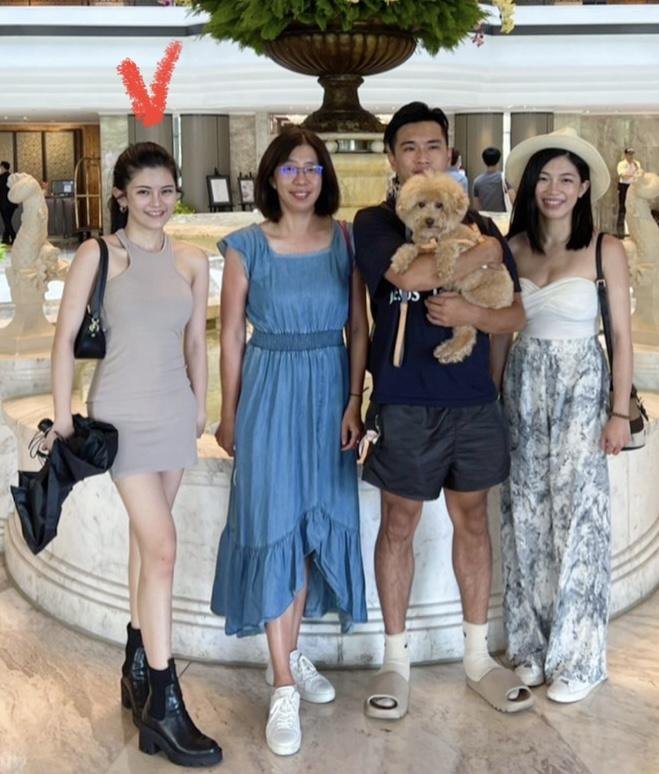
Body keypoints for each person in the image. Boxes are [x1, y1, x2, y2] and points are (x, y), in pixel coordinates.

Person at [352, 101, 531, 720]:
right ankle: (395, 661)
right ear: (392, 159)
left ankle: (477, 658)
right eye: (409, 147)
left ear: (450, 155)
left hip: (472, 401)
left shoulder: (477, 221)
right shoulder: (375, 222)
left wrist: (473, 315)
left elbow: (514, 312)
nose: (422, 157)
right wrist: (484, 254)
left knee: (473, 521)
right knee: (398, 523)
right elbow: (415, 276)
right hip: (404, 399)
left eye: (432, 146)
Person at [47, 142, 222, 767]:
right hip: (120, 418)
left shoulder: (191, 260)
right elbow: (64, 339)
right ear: (121, 195)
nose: (157, 202)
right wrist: (63, 414)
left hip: (174, 413)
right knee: (164, 547)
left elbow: (195, 342)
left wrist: (199, 404)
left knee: (148, 544)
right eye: (144, 191)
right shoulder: (98, 255)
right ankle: (163, 704)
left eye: (167, 190)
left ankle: (135, 663)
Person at [211, 125, 368, 756]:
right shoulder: (245, 245)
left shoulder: (345, 239)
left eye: (312, 168)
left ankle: (292, 652)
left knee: (309, 528)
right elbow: (230, 336)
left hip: (329, 393)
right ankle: (282, 684)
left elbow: (359, 327)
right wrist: (229, 413)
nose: (302, 179)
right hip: (270, 392)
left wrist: (354, 400)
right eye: (289, 168)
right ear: (270, 178)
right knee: (274, 523)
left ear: (325, 176)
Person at [496, 127, 633, 703]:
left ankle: (579, 658)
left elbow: (621, 337)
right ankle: (530, 647)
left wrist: (619, 412)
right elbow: (500, 333)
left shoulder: (605, 248)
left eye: (566, 179)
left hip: (581, 386)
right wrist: (491, 398)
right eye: (545, 178)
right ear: (531, 187)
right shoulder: (513, 249)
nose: (554, 189)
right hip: (523, 386)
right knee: (524, 515)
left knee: (580, 521)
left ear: (582, 189)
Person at [473, 146, 515, 213]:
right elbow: (513, 200)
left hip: (486, 218)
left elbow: (477, 207)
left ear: (484, 161)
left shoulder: (477, 181)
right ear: (498, 160)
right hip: (502, 217)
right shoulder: (504, 178)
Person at [616, 146, 643, 238]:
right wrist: (633, 174)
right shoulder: (621, 164)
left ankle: (635, 232)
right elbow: (623, 176)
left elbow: (640, 175)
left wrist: (635, 170)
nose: (631, 156)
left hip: (633, 186)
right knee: (622, 208)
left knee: (634, 208)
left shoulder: (637, 163)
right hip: (623, 186)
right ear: (625, 155)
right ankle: (621, 232)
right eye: (629, 154)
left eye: (632, 154)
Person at [0, 160, 17, 245]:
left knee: (7, 221)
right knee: (8, 221)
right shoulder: (12, 177)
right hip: (12, 203)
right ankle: (5, 238)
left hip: (4, 204)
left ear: (3, 167)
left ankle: (14, 237)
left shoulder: (1, 177)